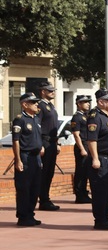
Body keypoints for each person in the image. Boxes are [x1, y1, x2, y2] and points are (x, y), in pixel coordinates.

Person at [87, 89, 108, 230]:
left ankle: (106, 217)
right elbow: (92, 140)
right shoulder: (95, 116)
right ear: (100, 102)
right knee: (100, 191)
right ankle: (100, 220)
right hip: (101, 158)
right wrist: (95, 158)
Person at [12, 92, 44, 226]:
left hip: (35, 158)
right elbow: (16, 141)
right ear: (25, 104)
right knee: (24, 188)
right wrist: (18, 160)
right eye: (33, 102)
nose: (37, 104)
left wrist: (40, 147)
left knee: (35, 187)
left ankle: (30, 214)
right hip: (25, 157)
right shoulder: (20, 119)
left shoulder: (35, 119)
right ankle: (23, 216)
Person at [36, 81, 60, 211]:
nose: (53, 92)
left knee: (49, 172)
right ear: (43, 92)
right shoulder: (40, 106)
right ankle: (43, 199)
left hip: (52, 141)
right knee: (44, 173)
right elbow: (38, 126)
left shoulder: (50, 106)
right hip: (44, 141)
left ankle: (45, 198)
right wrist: (40, 144)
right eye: (50, 91)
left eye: (53, 90)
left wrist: (56, 143)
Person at [71, 95, 92, 204]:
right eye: (85, 102)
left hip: (88, 145)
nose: (88, 104)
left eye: (88, 102)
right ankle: (79, 195)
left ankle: (84, 193)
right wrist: (82, 149)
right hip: (82, 145)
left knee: (86, 171)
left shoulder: (86, 116)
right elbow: (76, 134)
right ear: (79, 104)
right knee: (80, 171)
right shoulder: (77, 117)